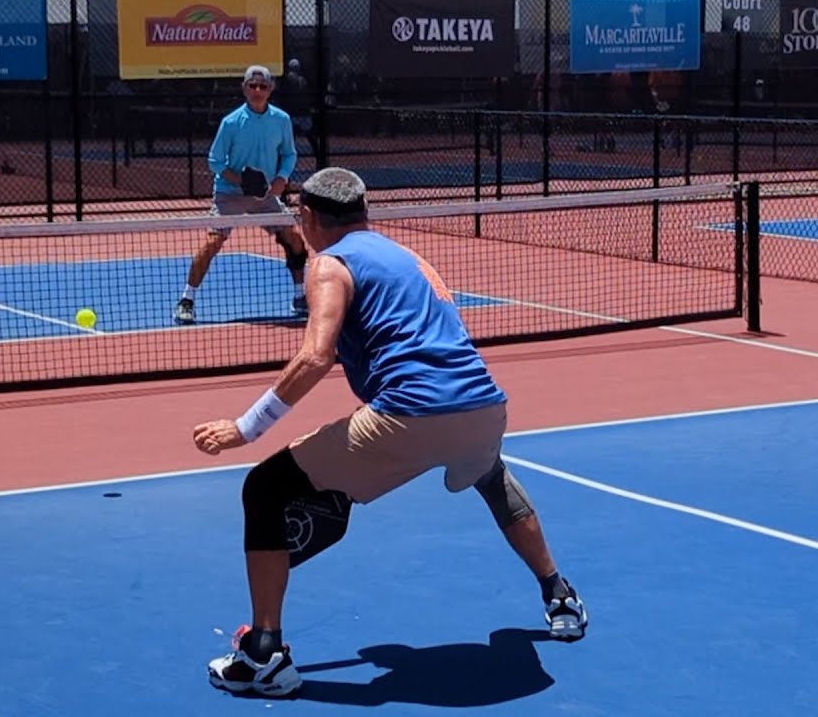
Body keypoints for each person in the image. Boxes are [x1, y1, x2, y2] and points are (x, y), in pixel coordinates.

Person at [192, 167, 588, 697]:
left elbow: (315, 355)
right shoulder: (408, 258)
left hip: (408, 416)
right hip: (485, 409)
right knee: (491, 477)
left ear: (308, 218)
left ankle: (264, 654)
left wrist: (246, 428)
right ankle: (558, 593)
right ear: (365, 213)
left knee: (264, 487)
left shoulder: (329, 263)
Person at [174, 65, 308, 325]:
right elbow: (215, 161)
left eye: (263, 86)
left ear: (270, 89)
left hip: (267, 196)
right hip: (229, 194)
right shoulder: (231, 122)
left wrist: (281, 179)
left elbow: (290, 154)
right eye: (252, 85)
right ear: (244, 88)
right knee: (212, 243)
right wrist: (241, 181)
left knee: (294, 240)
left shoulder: (281, 119)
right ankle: (186, 300)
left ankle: (300, 296)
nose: (257, 90)